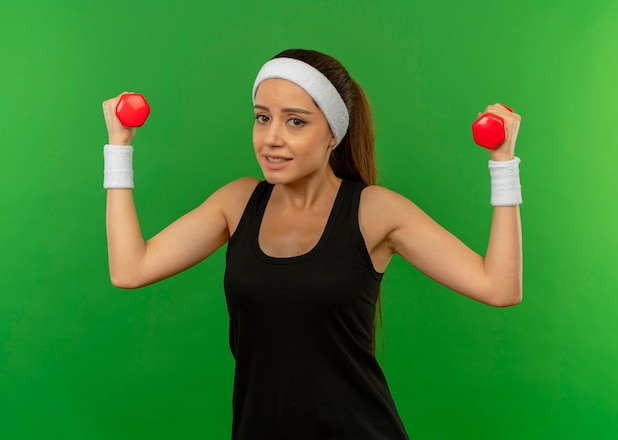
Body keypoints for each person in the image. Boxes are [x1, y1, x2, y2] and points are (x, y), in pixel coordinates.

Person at [101, 48, 522, 440]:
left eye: (296, 121)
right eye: (262, 117)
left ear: (333, 134)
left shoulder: (373, 211)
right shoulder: (238, 202)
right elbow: (130, 269)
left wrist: (503, 164)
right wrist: (118, 149)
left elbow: (498, 287)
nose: (271, 138)